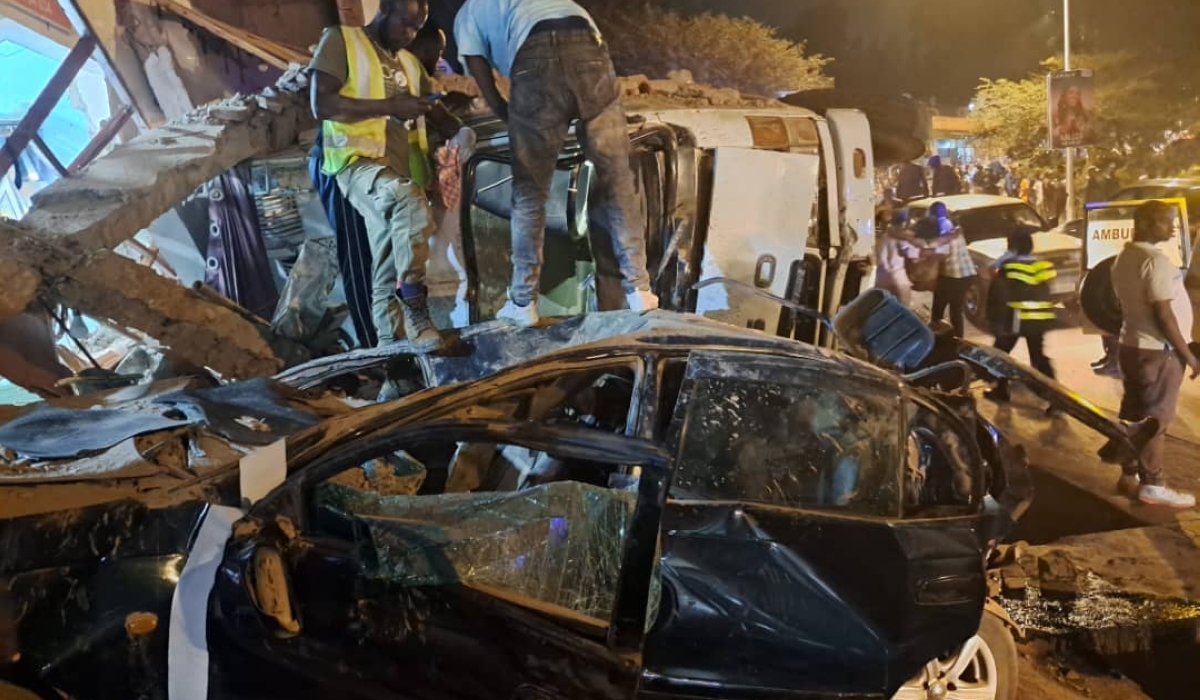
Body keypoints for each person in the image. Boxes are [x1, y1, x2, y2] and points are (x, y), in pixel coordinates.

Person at [454, 0, 657, 326]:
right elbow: (593, 42)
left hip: (535, 58)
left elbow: (478, 66)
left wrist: (504, 111)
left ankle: (522, 303)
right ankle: (640, 290)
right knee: (617, 177)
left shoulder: (469, 12)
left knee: (530, 192)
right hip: (589, 48)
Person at [309, 0, 464, 350]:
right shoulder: (340, 41)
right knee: (408, 202)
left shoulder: (409, 63)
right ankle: (415, 304)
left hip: (394, 169)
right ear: (384, 10)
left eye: (416, 28)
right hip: (354, 162)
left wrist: (461, 132)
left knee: (386, 263)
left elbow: (434, 110)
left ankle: (391, 361)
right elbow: (322, 104)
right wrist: (391, 107)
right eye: (405, 25)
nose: (409, 36)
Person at [1109, 200, 1200, 508]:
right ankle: (1154, 484)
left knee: (1135, 414)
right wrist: (1188, 354)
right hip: (1158, 352)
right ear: (1147, 223)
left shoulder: (1124, 256)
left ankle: (1129, 475)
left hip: (1132, 346)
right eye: (1165, 221)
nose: (1172, 227)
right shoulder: (1155, 261)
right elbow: (1164, 313)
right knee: (1156, 419)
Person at [983, 227, 1058, 403]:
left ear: (1012, 246)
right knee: (1038, 358)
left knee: (1001, 355)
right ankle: (1055, 398)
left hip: (1016, 318)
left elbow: (998, 295)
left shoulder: (1009, 267)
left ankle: (1001, 391)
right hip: (1039, 319)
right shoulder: (1042, 266)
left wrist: (993, 321)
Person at [929, 202, 977, 337]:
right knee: (956, 309)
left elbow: (942, 254)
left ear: (933, 214)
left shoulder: (941, 228)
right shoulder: (955, 227)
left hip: (952, 276)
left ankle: (935, 338)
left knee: (938, 309)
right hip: (966, 274)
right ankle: (958, 339)